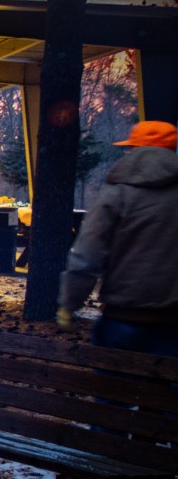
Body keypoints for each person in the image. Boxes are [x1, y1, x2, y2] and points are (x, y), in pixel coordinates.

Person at [57, 120, 178, 357]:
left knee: (113, 390)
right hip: (174, 324)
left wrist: (69, 303)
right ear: (172, 150)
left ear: (134, 149)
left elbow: (87, 258)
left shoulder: (116, 194)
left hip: (121, 320)